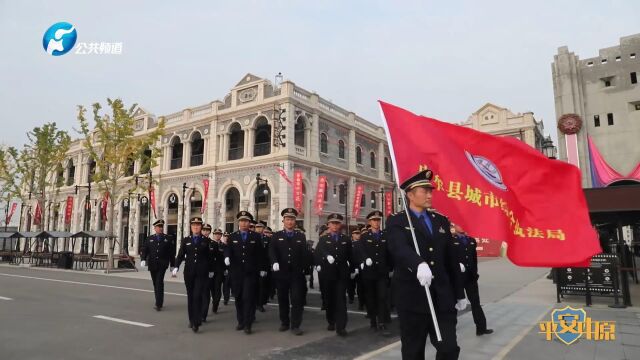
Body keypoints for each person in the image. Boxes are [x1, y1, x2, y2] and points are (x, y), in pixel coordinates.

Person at [386, 169, 468, 360]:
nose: (430, 195)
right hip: (412, 297)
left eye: (430, 191)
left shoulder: (440, 220)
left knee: (449, 348)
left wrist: (459, 293)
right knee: (413, 351)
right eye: (425, 191)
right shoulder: (397, 221)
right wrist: (418, 263)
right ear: (410, 194)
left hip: (442, 297)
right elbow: (398, 247)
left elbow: (451, 260)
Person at [269, 208, 312, 336]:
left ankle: (295, 325)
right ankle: (284, 322)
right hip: (281, 273)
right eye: (287, 219)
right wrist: (274, 261)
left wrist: (307, 271)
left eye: (292, 219)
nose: (290, 222)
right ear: (283, 221)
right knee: (282, 299)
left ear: (295, 221)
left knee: (297, 299)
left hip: (296, 274)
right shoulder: (277, 236)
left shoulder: (300, 236)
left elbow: (305, 254)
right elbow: (272, 251)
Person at [315, 213, 358, 337]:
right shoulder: (323, 239)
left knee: (340, 300)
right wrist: (323, 259)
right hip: (328, 274)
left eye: (337, 223)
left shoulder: (346, 239)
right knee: (329, 299)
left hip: (341, 274)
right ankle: (331, 320)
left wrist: (354, 269)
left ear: (340, 225)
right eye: (333, 223)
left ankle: (341, 326)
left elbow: (351, 255)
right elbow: (319, 252)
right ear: (328, 225)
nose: (335, 225)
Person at [224, 211, 267, 334]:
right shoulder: (233, 236)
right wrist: (226, 257)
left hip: (250, 273)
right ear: (239, 222)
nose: (244, 223)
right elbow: (228, 249)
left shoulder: (255, 236)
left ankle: (248, 324)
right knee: (238, 297)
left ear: (249, 223)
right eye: (242, 221)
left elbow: (261, 254)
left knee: (248, 297)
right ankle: (241, 321)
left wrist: (262, 268)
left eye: (246, 221)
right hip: (236, 273)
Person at [172, 217, 215, 333]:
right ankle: (192, 320)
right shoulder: (186, 240)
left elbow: (210, 258)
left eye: (198, 225)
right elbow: (180, 254)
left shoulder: (206, 241)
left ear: (201, 227)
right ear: (191, 227)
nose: (196, 227)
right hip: (189, 272)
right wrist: (176, 266)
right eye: (194, 225)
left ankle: (196, 321)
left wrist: (211, 270)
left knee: (197, 295)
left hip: (202, 273)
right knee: (190, 296)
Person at [450, 223, 493, 336]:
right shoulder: (450, 240)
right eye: (460, 223)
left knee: (475, 303)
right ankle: (450, 329)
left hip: (470, 277)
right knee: (454, 303)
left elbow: (474, 259)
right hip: (456, 277)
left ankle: (481, 328)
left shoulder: (471, 240)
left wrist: (475, 274)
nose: (463, 226)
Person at [356, 211, 392, 336]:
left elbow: (389, 253)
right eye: (374, 220)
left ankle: (382, 322)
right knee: (371, 298)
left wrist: (391, 268)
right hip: (369, 273)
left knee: (382, 297)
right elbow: (360, 250)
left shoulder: (385, 236)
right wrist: (365, 259)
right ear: (369, 222)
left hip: (382, 272)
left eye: (378, 220)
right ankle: (373, 321)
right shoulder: (365, 236)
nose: (376, 222)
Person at [140, 219, 175, 311]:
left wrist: (172, 265)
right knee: (155, 283)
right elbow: (144, 250)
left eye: (161, 227)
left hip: (162, 264)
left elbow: (171, 253)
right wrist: (143, 259)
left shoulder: (168, 238)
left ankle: (158, 303)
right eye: (158, 227)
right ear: (155, 228)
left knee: (159, 282)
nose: (160, 228)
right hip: (152, 264)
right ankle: (159, 299)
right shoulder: (149, 238)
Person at [201, 224, 223, 322]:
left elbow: (218, 259)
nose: (205, 232)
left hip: (215, 271)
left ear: (210, 232)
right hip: (202, 272)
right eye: (204, 230)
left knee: (216, 290)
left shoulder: (213, 244)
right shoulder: (196, 241)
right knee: (204, 294)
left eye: (207, 230)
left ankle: (215, 304)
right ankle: (202, 314)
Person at [207, 228, 227, 315]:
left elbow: (226, 259)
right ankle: (214, 301)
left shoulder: (223, 245)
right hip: (211, 271)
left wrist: (226, 269)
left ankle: (215, 305)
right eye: (216, 234)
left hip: (220, 271)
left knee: (218, 289)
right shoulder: (210, 244)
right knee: (212, 289)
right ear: (213, 235)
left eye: (219, 234)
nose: (218, 235)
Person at [348, 227, 366, 311]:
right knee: (351, 285)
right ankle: (351, 297)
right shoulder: (349, 243)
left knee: (360, 286)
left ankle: (361, 303)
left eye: (358, 233)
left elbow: (362, 255)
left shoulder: (361, 244)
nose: (357, 235)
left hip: (359, 267)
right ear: (352, 235)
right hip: (351, 266)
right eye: (356, 233)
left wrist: (361, 263)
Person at [255, 220, 270, 312]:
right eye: (257, 227)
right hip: (252, 267)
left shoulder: (267, 239)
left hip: (262, 267)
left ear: (263, 229)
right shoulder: (251, 237)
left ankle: (259, 304)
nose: (259, 229)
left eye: (260, 227)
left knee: (261, 286)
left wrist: (265, 268)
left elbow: (267, 255)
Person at [221, 231, 231, 306]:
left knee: (226, 284)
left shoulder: (231, 246)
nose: (226, 237)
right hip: (220, 268)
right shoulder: (220, 245)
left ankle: (226, 298)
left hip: (228, 268)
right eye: (225, 236)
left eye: (227, 236)